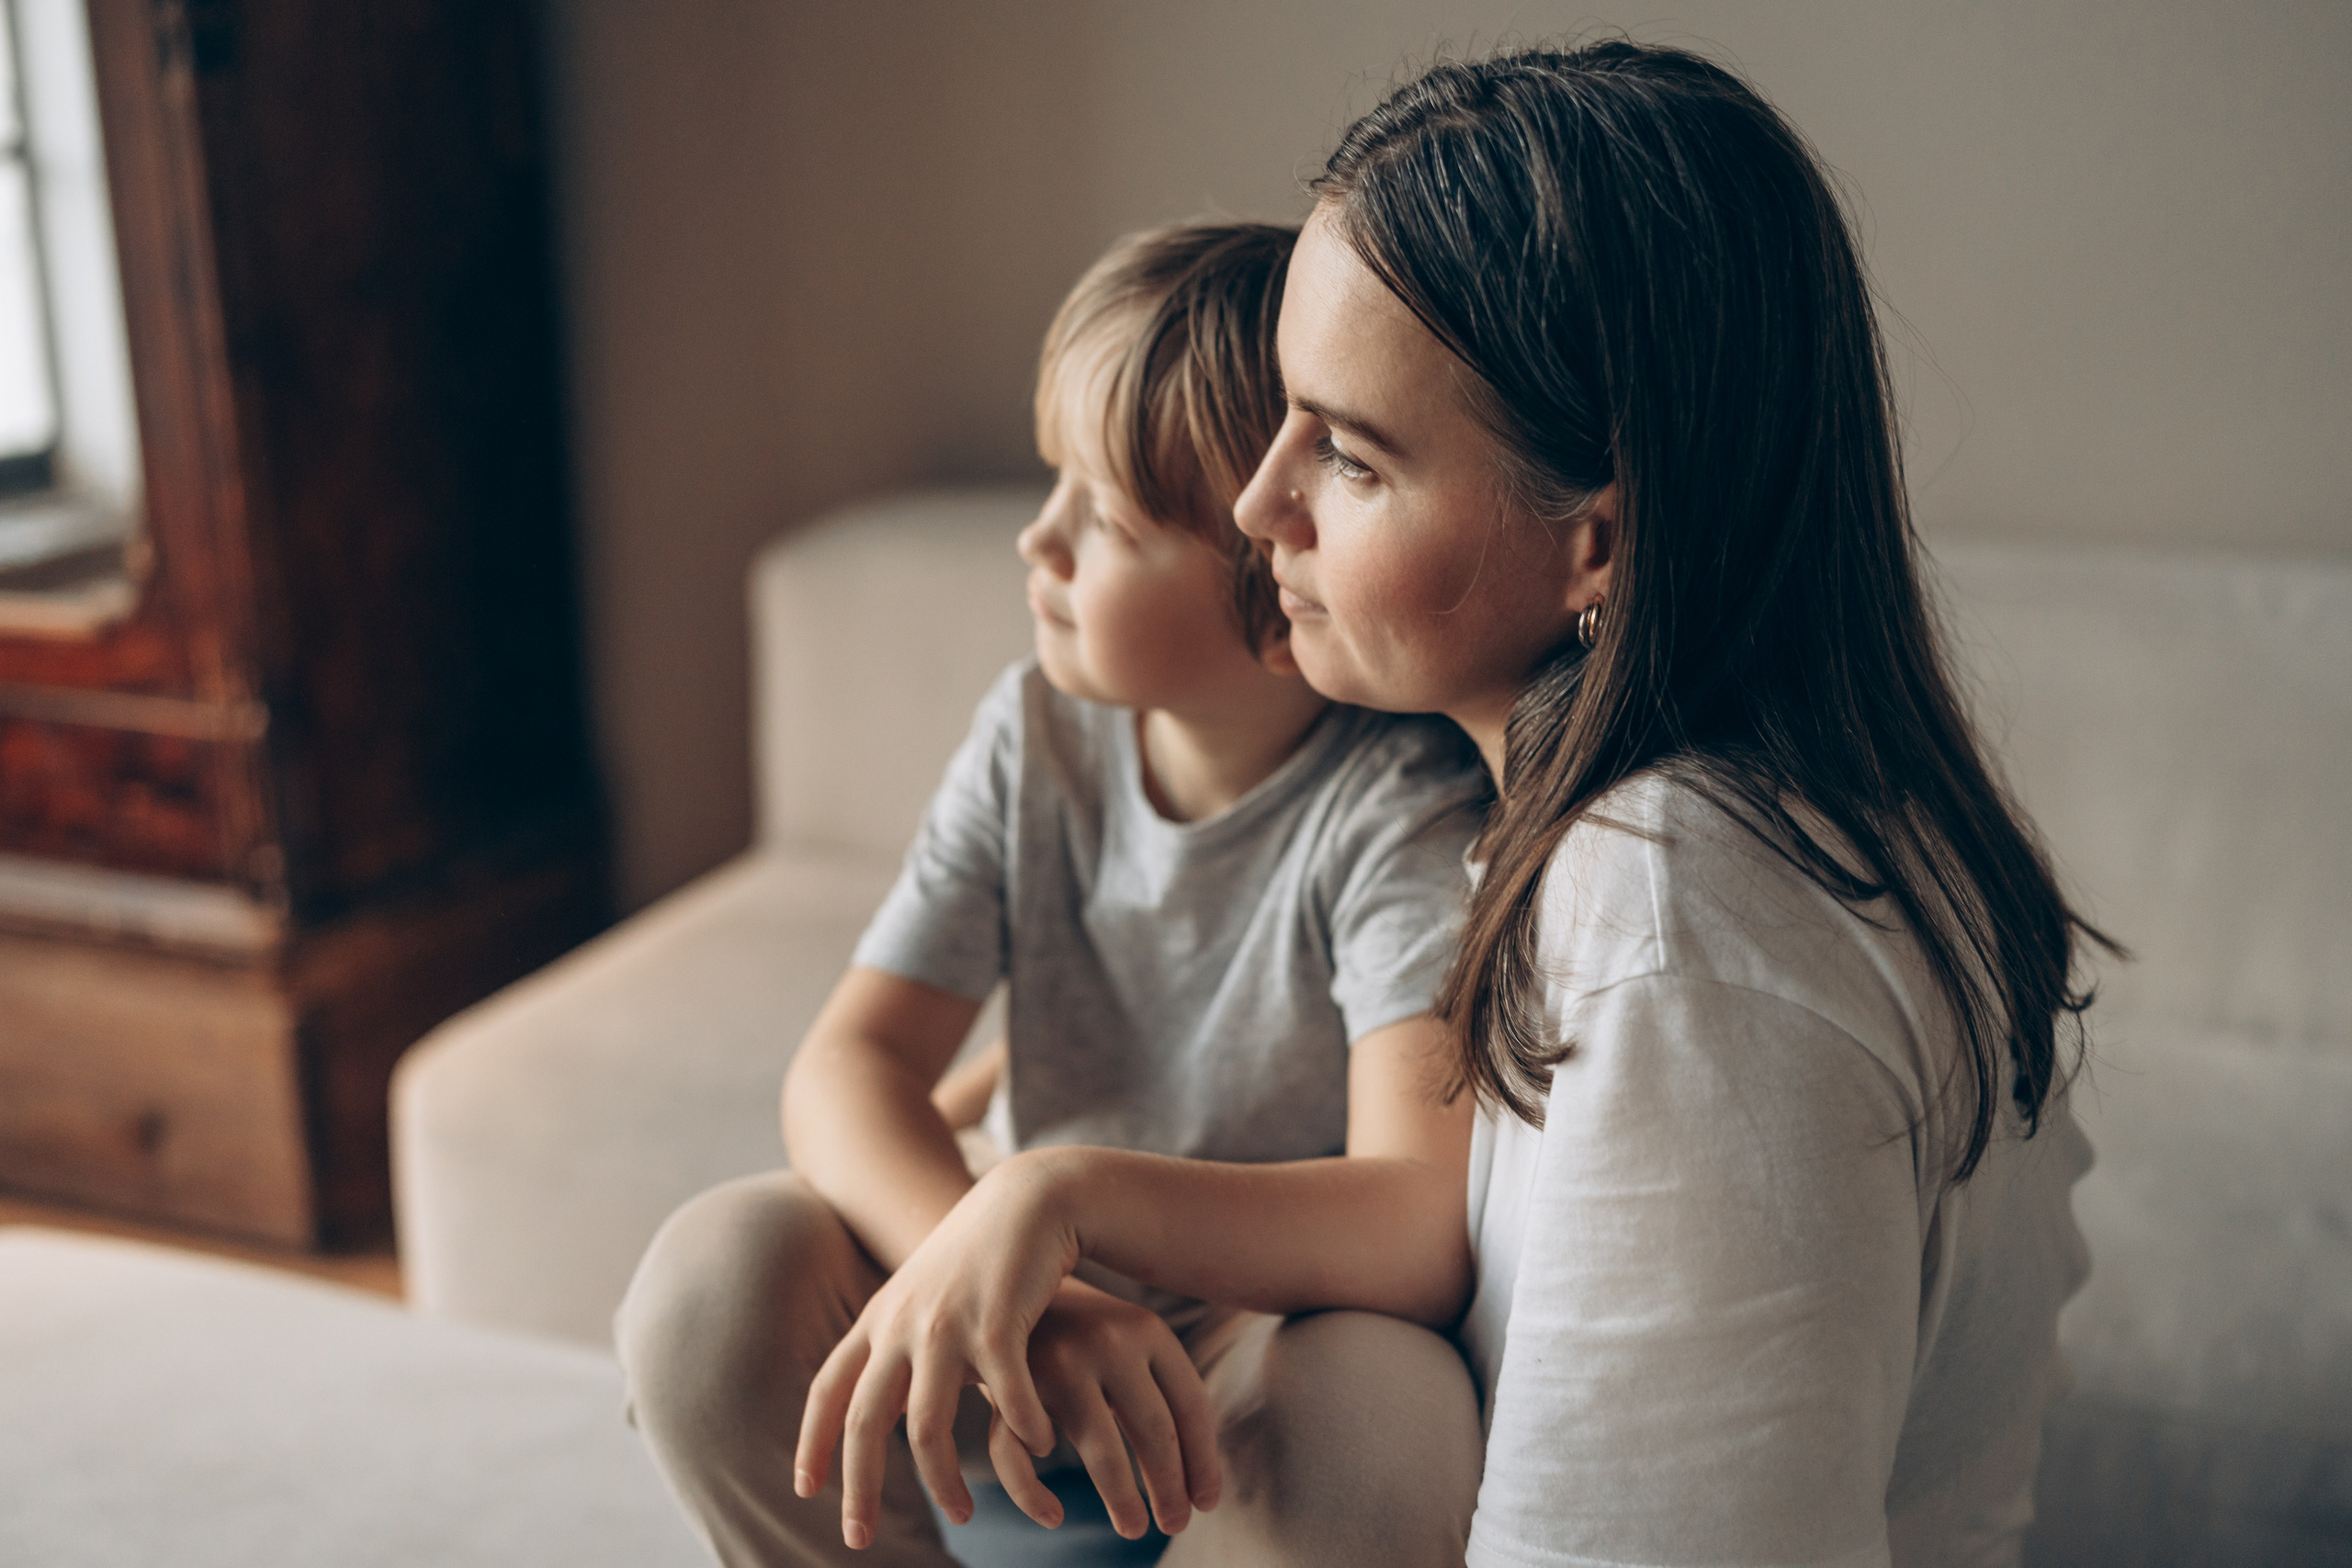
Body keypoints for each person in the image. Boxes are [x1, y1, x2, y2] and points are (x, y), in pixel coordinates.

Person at [800, 41, 2107, 1568]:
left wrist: (1071, 1194)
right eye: (1287, 418)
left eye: (1348, 456)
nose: (1252, 506)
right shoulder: (1693, 829)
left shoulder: (1678, 927)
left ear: (1598, 545)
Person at [615, 220, 1490, 1568]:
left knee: (1388, 1417)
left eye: (1109, 518)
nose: (1039, 539)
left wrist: (1070, 1198)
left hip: (1242, 1364)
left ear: (1280, 588)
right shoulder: (1035, 737)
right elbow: (846, 1066)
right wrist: (1024, 1276)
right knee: (709, 1287)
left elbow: (1418, 1219)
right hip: (1006, 1306)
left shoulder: (1400, 808)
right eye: (1053, 482)